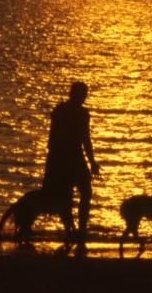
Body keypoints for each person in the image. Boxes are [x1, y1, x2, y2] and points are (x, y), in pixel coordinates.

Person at [42, 81, 100, 245]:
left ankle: (80, 229)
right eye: (81, 94)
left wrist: (92, 162)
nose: (83, 97)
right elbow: (53, 138)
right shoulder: (60, 111)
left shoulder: (82, 113)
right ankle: (72, 229)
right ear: (73, 94)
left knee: (85, 192)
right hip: (61, 157)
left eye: (84, 94)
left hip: (74, 155)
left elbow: (85, 139)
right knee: (66, 196)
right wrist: (51, 164)